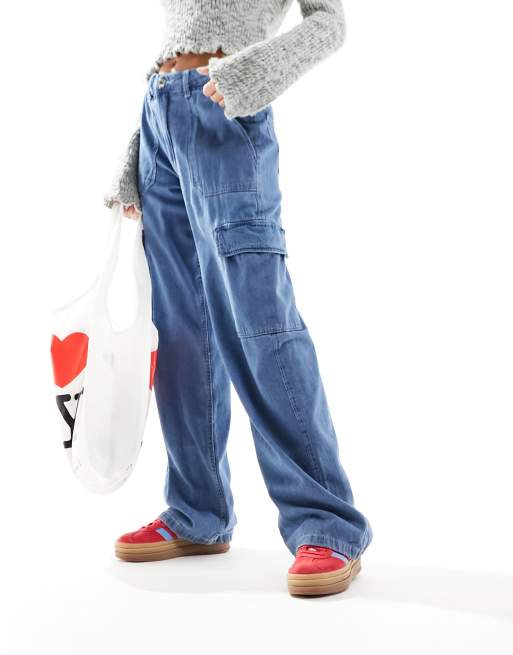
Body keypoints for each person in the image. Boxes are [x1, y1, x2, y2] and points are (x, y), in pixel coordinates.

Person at [105, 0, 372, 597]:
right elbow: (181, 37)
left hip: (227, 113)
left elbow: (329, 22)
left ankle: (327, 525)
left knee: (261, 324)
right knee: (178, 333)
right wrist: (137, 151)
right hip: (161, 121)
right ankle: (197, 512)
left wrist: (251, 75)